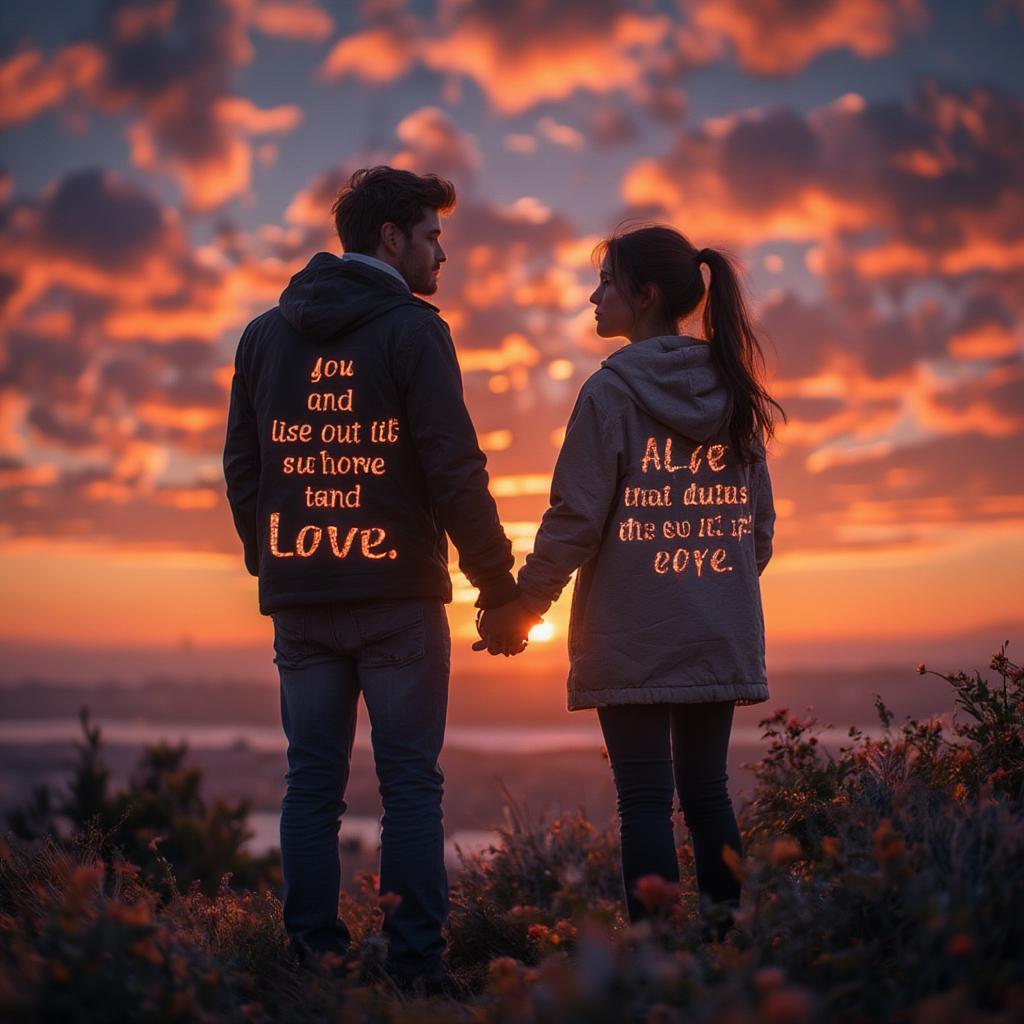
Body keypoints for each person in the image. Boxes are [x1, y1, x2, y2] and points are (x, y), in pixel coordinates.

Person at [223, 165, 524, 994]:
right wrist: (496, 586)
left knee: (311, 784)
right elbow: (452, 466)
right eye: (433, 237)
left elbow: (242, 469)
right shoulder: (413, 330)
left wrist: (275, 558)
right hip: (397, 603)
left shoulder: (262, 336)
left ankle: (313, 959)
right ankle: (416, 966)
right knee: (410, 786)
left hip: (303, 600)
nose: (442, 254)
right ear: (392, 238)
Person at [477, 225, 784, 940]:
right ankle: (728, 950)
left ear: (644, 296)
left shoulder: (609, 393)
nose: (594, 296)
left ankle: (656, 957)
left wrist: (527, 604)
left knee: (644, 800)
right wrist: (711, 587)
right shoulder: (734, 387)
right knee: (708, 793)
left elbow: (575, 516)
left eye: (607, 281)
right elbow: (757, 527)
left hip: (629, 633)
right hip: (718, 629)